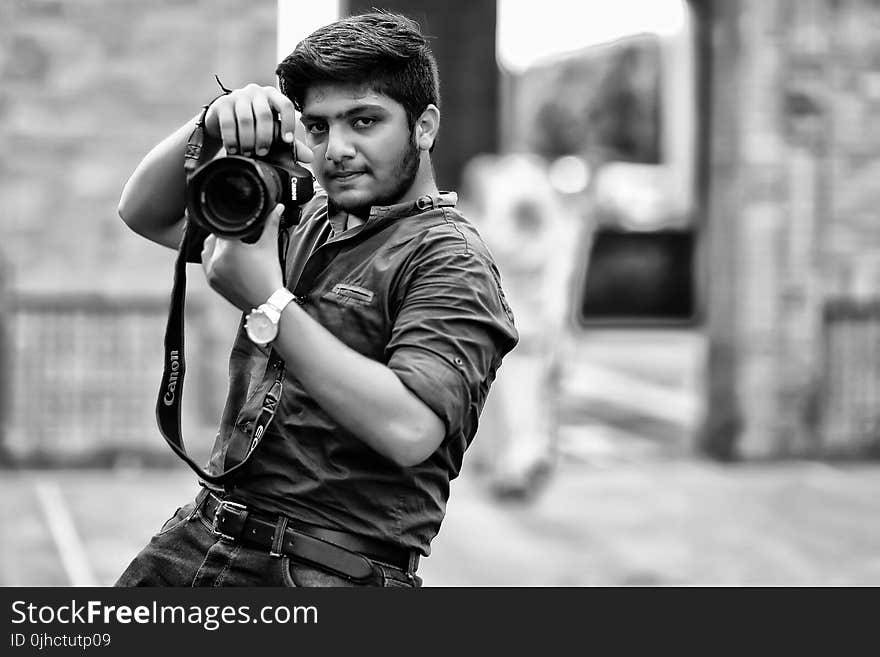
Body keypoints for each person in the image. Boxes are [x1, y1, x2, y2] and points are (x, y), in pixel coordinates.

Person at [114, 11, 517, 587]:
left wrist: (270, 304)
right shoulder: (301, 220)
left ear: (424, 127)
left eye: (364, 121)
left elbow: (411, 430)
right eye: (321, 127)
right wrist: (211, 123)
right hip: (199, 537)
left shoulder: (449, 259)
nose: (338, 149)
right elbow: (143, 211)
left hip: (327, 569)